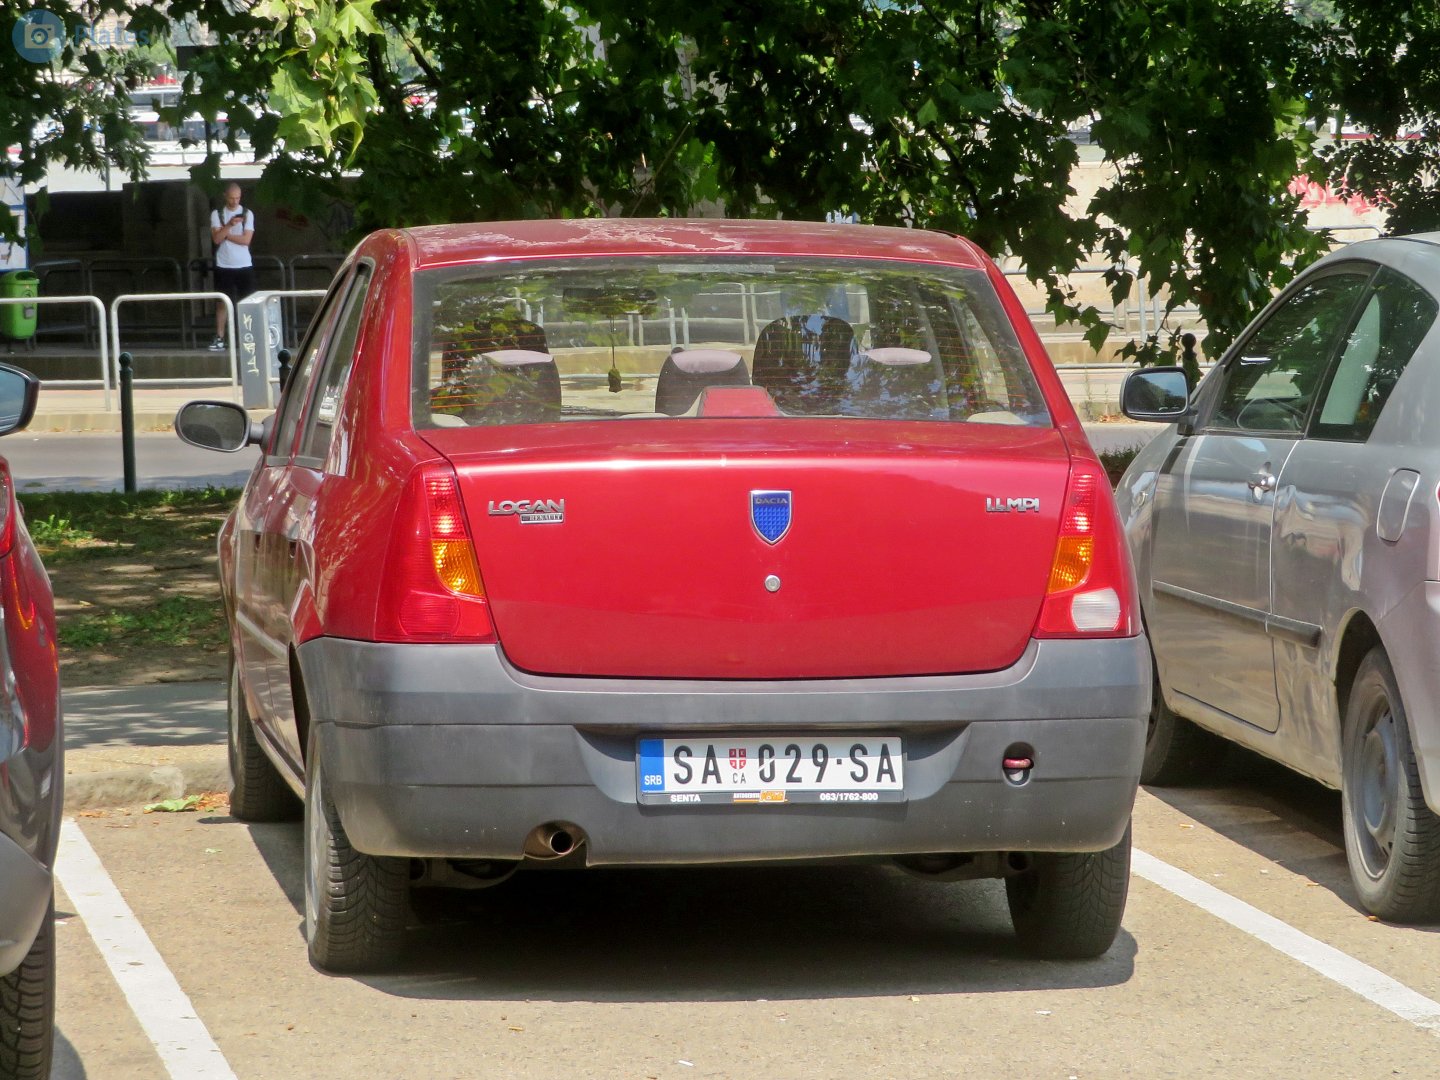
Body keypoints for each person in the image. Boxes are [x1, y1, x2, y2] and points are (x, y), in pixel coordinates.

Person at [208, 183, 255, 351]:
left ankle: (248, 336)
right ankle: (220, 336)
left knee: (246, 302)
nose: (235, 201)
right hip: (224, 264)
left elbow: (246, 240)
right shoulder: (217, 214)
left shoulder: (248, 214)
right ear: (225, 196)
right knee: (222, 302)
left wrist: (225, 234)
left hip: (244, 264)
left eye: (238, 198)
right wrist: (229, 226)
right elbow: (216, 239)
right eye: (231, 198)